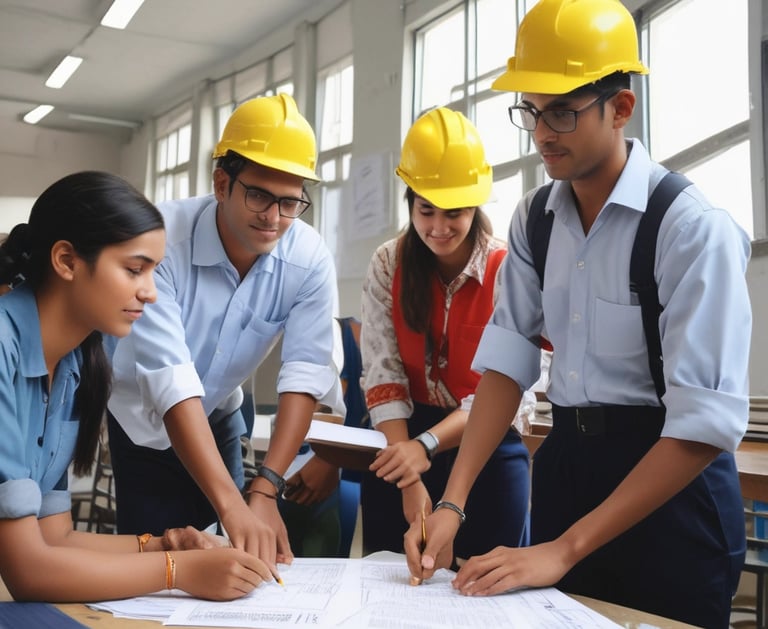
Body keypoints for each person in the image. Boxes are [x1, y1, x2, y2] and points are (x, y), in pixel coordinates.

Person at [404, 1, 751, 627]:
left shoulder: (689, 231)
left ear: (621, 108)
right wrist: (452, 505)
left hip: (669, 494)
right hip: (568, 470)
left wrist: (563, 549)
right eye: (530, 112)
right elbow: (507, 370)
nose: (541, 133)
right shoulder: (535, 220)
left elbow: (701, 427)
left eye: (562, 111)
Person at [0, 171, 270, 602]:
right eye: (134, 270)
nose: (150, 293)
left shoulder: (76, 361)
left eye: (154, 272)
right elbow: (28, 572)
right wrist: (178, 572)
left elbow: (56, 539)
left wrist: (163, 545)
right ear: (66, 261)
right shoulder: (4, 348)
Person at [106, 94, 343, 570]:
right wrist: (234, 506)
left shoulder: (308, 257)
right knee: (160, 564)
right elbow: (171, 382)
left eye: (290, 201)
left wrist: (265, 488)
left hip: (217, 416)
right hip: (143, 423)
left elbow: (304, 375)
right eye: (258, 195)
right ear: (221, 183)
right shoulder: (161, 239)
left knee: (233, 555)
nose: (274, 217)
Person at [360, 107, 531, 559]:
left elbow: (509, 388)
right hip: (400, 440)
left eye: (454, 212)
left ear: (475, 205)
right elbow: (383, 375)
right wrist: (408, 472)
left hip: (485, 443)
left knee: (483, 587)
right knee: (390, 580)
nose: (438, 227)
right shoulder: (387, 263)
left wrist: (428, 445)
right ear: (410, 202)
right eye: (425, 210)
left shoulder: (507, 268)